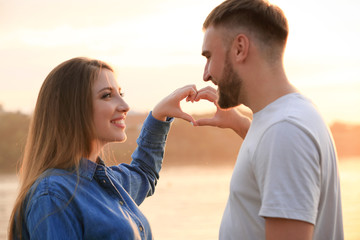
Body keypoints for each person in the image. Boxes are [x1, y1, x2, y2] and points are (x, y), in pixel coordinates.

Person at [193, 0, 344, 239]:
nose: (206, 73)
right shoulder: (286, 119)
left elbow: (281, 142)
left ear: (240, 48)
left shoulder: (284, 131)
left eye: (209, 56)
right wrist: (241, 124)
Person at [8, 57, 198, 239]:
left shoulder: (107, 183)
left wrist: (158, 116)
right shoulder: (53, 195)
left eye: (120, 94)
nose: (125, 106)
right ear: (73, 109)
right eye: (107, 95)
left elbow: (145, 172)